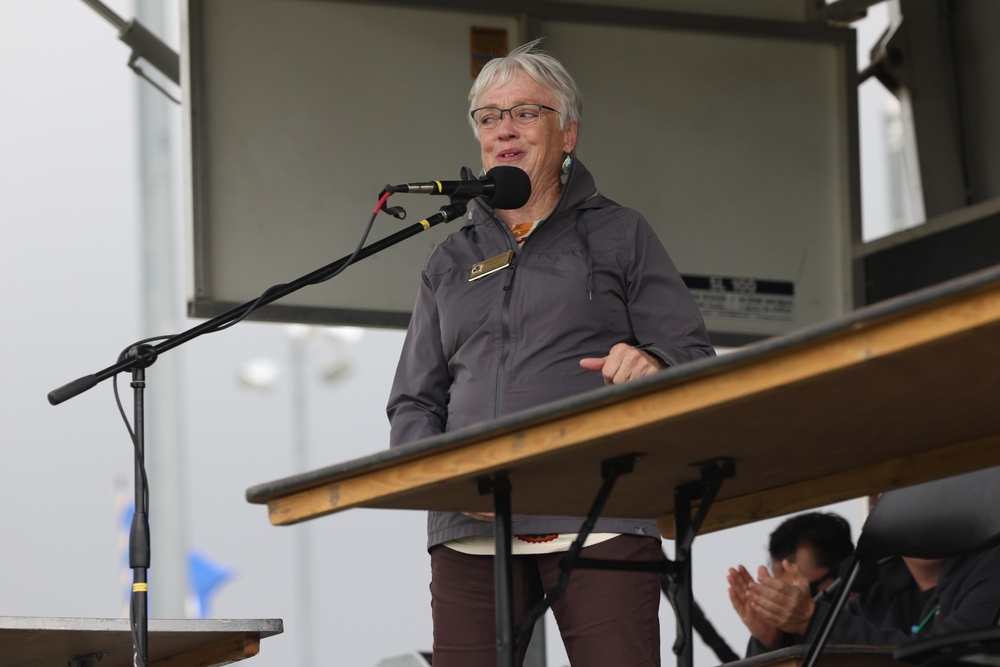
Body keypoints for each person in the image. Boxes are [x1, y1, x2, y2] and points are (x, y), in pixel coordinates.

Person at [385, 39, 715, 667]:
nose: (504, 129)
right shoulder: (449, 256)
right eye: (489, 117)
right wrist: (436, 475)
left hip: (602, 505)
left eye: (526, 113)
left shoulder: (622, 232)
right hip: (471, 522)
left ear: (568, 134)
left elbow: (691, 350)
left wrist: (655, 363)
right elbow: (414, 399)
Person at [729, 517, 1000, 655]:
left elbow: (938, 659)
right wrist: (770, 642)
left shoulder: (990, 568)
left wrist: (811, 621)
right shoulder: (872, 599)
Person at [727, 512, 854, 654]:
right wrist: (769, 645)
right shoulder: (786, 634)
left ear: (843, 574)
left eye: (804, 594)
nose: (790, 606)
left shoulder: (878, 608)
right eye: (780, 594)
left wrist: (811, 619)